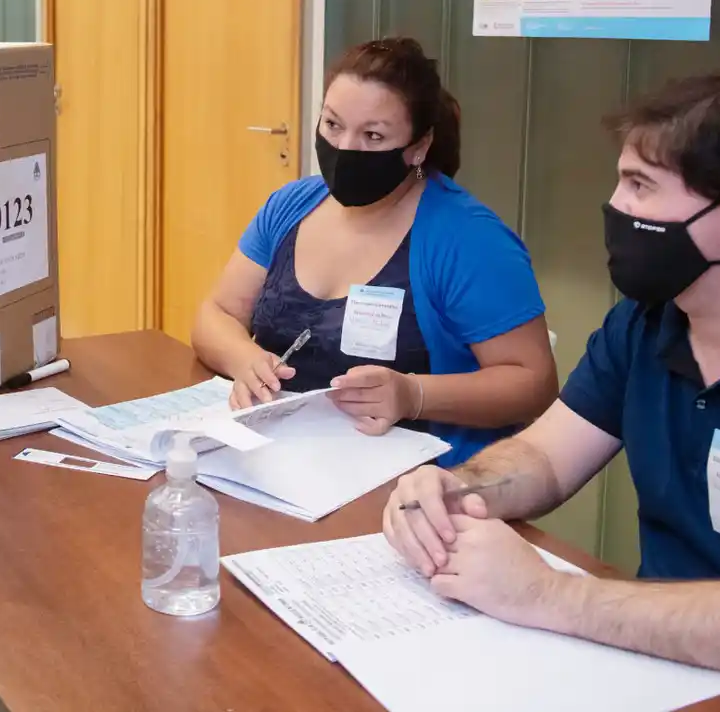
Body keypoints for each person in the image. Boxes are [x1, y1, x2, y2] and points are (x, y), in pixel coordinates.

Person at [383, 72, 720, 703]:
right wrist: (456, 490)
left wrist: (548, 594)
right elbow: (545, 457)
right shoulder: (651, 320)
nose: (615, 207)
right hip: (656, 667)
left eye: (640, 186)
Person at [192, 38, 557, 465]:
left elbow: (534, 384)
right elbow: (216, 314)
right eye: (332, 125)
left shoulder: (469, 241)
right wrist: (245, 359)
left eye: (373, 135)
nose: (346, 148)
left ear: (418, 147)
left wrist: (414, 395)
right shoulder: (290, 206)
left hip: (410, 484)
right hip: (277, 463)